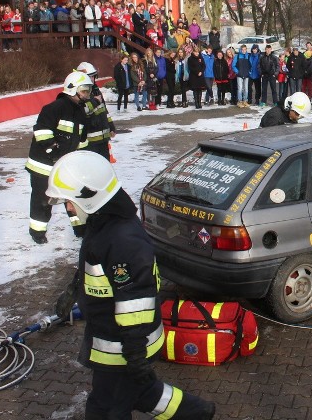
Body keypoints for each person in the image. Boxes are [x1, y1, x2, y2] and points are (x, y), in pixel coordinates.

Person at [47, 152, 215, 420]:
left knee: (106, 409)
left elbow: (136, 298)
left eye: (68, 201)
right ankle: (196, 412)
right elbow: (99, 269)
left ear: (90, 195)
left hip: (122, 347)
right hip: (120, 341)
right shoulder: (103, 223)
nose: (67, 208)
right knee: (144, 393)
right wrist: (74, 290)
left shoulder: (121, 238)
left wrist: (134, 352)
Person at [24, 71, 93, 244]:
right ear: (72, 89)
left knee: (74, 198)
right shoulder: (54, 108)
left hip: (65, 165)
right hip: (43, 166)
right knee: (43, 200)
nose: (87, 94)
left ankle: (81, 229)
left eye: (88, 90)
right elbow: (42, 132)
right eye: (84, 90)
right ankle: (37, 233)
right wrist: (54, 153)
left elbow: (82, 141)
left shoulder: (81, 112)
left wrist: (80, 160)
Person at [76, 62, 116, 160]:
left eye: (93, 77)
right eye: (89, 77)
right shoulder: (78, 93)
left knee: (105, 165)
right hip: (90, 141)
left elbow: (103, 110)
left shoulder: (96, 90)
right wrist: (95, 101)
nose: (92, 79)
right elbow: (82, 110)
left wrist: (111, 126)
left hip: (103, 139)